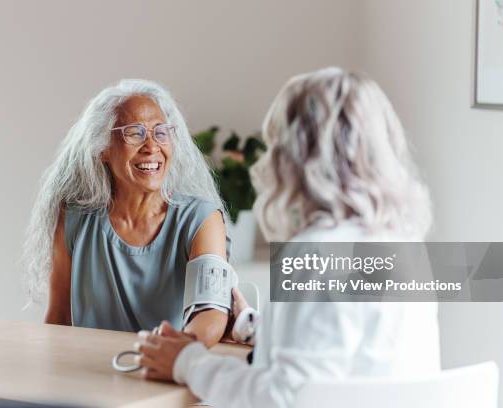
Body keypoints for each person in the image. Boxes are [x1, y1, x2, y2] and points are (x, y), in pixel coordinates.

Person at [135, 68, 441, 406]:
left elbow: (281, 399)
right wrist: (252, 328)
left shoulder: (317, 254)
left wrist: (187, 362)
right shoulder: (400, 242)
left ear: (292, 154)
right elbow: (342, 352)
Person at [23, 79, 230, 347]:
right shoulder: (74, 217)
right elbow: (60, 316)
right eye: (135, 133)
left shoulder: (201, 219)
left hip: (168, 367)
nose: (152, 146)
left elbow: (211, 313)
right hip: (89, 375)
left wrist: (170, 355)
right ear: (102, 149)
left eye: (161, 132)